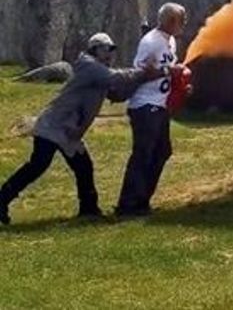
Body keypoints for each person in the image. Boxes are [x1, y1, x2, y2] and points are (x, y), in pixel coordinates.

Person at [0, 33, 161, 224]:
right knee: (39, 166)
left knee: (81, 166)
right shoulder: (90, 66)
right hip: (54, 125)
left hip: (67, 129)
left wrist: (144, 79)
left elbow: (118, 93)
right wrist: (144, 72)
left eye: (111, 50)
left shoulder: (99, 71)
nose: (110, 54)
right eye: (107, 49)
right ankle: (3, 199)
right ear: (96, 50)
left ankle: (89, 209)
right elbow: (117, 78)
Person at [115, 2, 187, 218]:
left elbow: (167, 73)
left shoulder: (171, 41)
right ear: (171, 21)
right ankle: (128, 205)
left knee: (162, 152)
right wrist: (168, 70)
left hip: (160, 104)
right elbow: (139, 72)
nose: (184, 24)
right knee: (143, 154)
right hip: (145, 106)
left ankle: (142, 200)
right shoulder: (151, 42)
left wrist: (180, 83)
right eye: (182, 20)